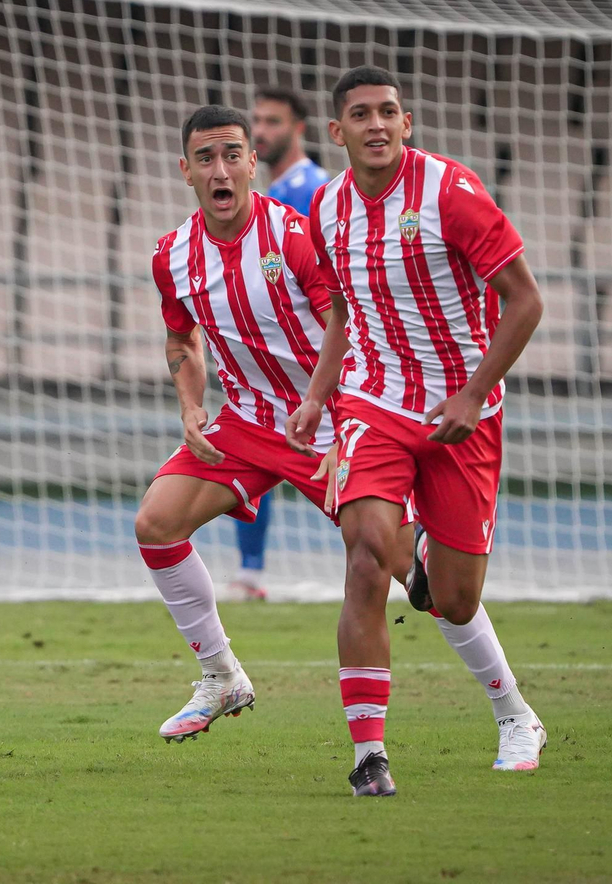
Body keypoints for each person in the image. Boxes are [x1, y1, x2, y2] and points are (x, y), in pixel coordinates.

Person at [138, 104, 539, 796]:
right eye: (206, 158)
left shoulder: (294, 234)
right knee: (155, 523)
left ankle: (513, 710)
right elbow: (182, 339)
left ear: (251, 162)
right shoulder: (171, 256)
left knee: (419, 579)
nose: (221, 168)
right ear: (186, 171)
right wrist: (189, 402)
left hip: (328, 421)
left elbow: (342, 315)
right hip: (247, 424)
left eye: (233, 153)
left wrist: (326, 400)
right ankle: (222, 676)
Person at [286, 66, 549, 796]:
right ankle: (369, 753)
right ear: (337, 132)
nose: (377, 125)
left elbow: (525, 301)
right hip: (373, 402)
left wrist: (473, 391)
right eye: (361, 115)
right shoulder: (327, 207)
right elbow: (341, 311)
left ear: (407, 123)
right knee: (367, 549)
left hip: (461, 416)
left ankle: (515, 715)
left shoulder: (450, 193)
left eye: (389, 112)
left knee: (452, 599)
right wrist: (317, 396)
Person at [220, 88, 333, 602]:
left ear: (299, 129)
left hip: (316, 362)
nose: (261, 130)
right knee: (252, 459)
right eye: (257, 121)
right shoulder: (270, 192)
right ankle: (250, 573)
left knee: (351, 475)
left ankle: (414, 547)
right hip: (276, 365)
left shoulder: (311, 190)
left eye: (272, 122)